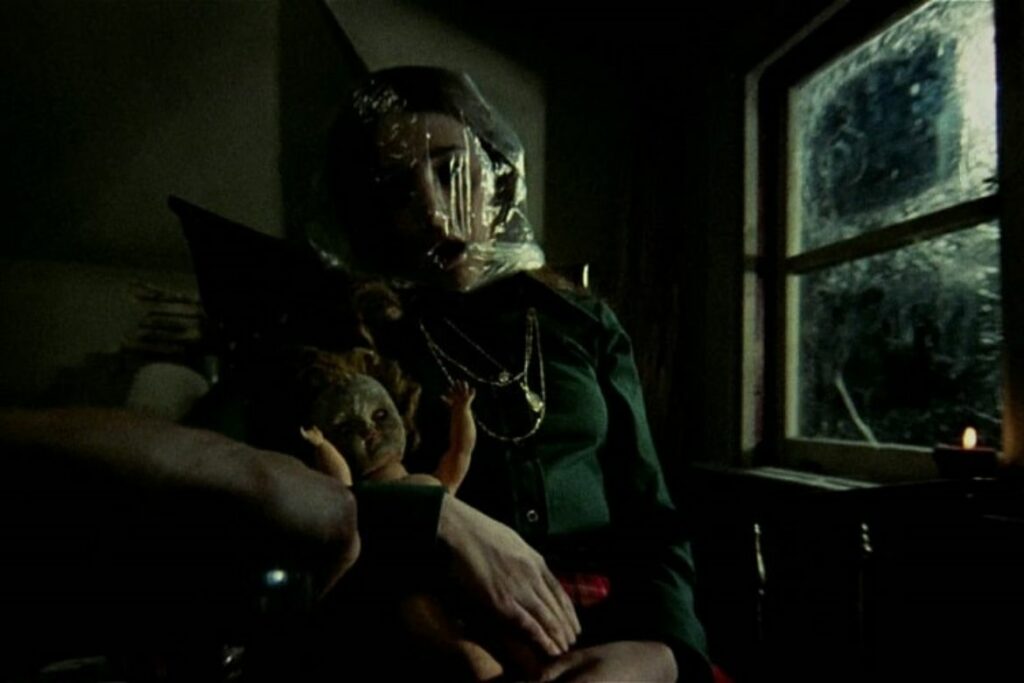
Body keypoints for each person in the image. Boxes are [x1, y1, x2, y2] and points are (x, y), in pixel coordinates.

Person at [270, 66, 708, 681]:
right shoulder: (357, 342)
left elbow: (651, 515)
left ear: (495, 171)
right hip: (446, 646)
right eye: (398, 189)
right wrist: (435, 519)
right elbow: (307, 499)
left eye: (451, 169)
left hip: (616, 639)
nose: (433, 209)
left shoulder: (580, 323)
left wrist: (665, 652)